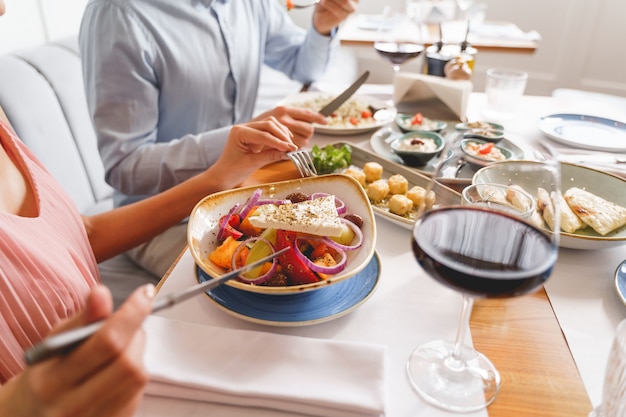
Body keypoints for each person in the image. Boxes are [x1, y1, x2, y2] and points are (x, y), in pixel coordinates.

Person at [0, 1, 300, 410]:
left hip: (109, 377)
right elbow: (124, 167)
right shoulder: (120, 13)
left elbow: (79, 233)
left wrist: (217, 177)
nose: (3, 8)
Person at [79, 0, 358, 277]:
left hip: (239, 194)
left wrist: (322, 28)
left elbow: (303, 67)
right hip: (162, 221)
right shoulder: (118, 14)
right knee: (279, 283)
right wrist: (235, 139)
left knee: (347, 251)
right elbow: (124, 168)